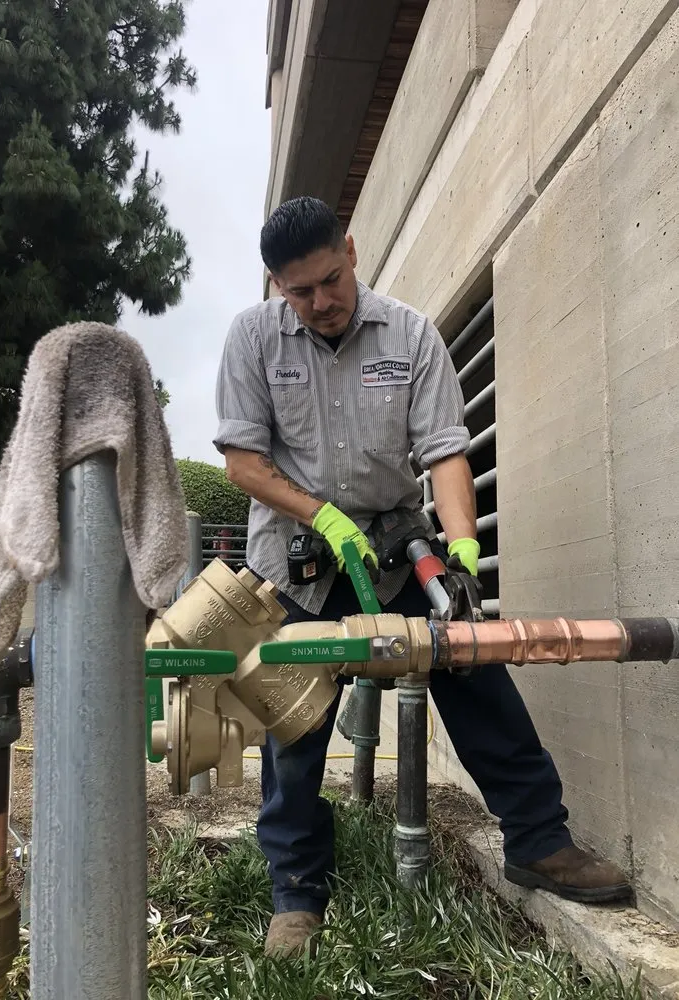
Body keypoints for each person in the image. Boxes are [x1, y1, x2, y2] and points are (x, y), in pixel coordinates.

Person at [213, 196, 630, 959]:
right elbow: (244, 462)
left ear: (351, 250)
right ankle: (298, 895)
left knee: (477, 674)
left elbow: (443, 453)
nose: (320, 302)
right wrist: (322, 516)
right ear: (276, 286)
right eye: (299, 292)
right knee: (294, 725)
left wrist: (464, 549)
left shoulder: (409, 333)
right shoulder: (252, 340)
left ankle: (538, 840)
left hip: (395, 548)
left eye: (330, 281)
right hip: (300, 562)